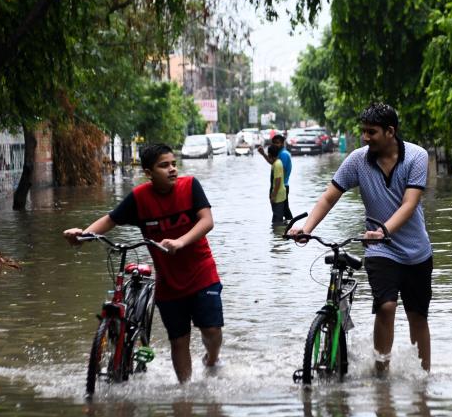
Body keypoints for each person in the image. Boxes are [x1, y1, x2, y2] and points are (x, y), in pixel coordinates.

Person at [287, 103, 433, 375]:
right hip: (380, 251)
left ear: (390, 132)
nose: (365, 137)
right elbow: (330, 196)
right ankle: (381, 374)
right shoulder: (357, 160)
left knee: (417, 317)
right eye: (363, 131)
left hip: (416, 251)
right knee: (386, 307)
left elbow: (409, 203)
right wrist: (306, 227)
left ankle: (424, 379)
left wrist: (384, 230)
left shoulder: (416, 156)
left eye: (371, 132)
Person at [63, 143, 222, 383]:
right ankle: (185, 394)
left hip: (201, 273)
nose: (172, 170)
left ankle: (211, 359)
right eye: (164, 165)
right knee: (178, 340)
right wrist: (82, 236)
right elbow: (110, 220)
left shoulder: (190, 186)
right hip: (168, 283)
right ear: (148, 172)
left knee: (211, 330)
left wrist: (180, 241)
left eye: (173, 164)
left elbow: (206, 221)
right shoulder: (140, 198)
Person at [258, 133, 293, 220]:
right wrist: (263, 154)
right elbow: (273, 162)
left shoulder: (284, 154)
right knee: (285, 211)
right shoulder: (279, 154)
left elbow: (279, 175)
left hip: (282, 186)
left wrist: (274, 194)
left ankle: (285, 229)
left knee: (280, 214)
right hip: (281, 187)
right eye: (274, 143)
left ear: (282, 143)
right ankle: (289, 227)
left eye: (277, 143)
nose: (276, 145)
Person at [266, 144, 289, 224]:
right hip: (277, 195)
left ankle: (279, 235)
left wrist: (273, 195)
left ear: (269, 154)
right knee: (276, 218)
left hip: (278, 196)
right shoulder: (276, 163)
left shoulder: (277, 164)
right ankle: (277, 234)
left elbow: (278, 181)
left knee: (277, 221)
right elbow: (270, 161)